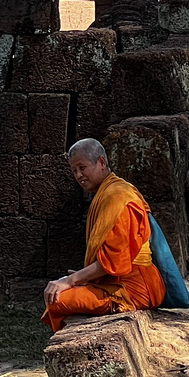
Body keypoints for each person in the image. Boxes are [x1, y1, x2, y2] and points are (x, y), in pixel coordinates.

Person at [42, 138, 167, 332]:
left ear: (101, 162)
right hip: (118, 281)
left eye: (82, 167)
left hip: (135, 287)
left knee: (58, 299)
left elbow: (114, 262)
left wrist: (71, 281)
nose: (79, 175)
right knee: (58, 293)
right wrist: (85, 278)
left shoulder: (118, 197)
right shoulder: (107, 193)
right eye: (74, 170)